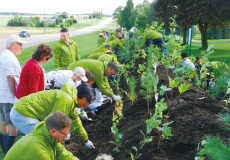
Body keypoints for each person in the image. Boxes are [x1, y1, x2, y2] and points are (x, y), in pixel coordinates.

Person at [10, 83, 95, 150]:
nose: (85, 106)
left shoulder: (70, 100)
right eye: (87, 103)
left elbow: (76, 121)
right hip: (23, 113)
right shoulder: (66, 99)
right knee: (45, 140)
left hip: (22, 110)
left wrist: (86, 140)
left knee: (46, 137)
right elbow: (53, 123)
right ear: (84, 99)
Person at [5, 112, 79, 160]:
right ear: (53, 131)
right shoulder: (39, 150)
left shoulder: (49, 137)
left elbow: (64, 155)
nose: (66, 136)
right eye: (64, 134)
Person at [0, 34, 27, 154]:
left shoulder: (3, 55)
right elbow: (10, 78)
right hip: (8, 95)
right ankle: (8, 150)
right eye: (20, 44)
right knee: (13, 123)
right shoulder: (9, 58)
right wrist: (14, 95)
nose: (21, 47)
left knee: (4, 121)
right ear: (12, 45)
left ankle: (5, 148)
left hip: (2, 94)